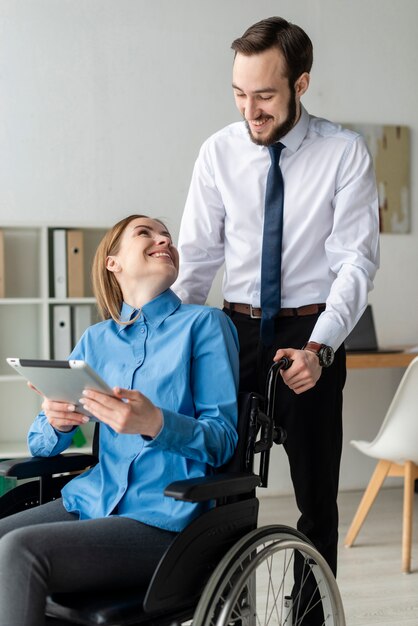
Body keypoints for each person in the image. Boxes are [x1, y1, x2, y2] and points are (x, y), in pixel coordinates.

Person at [173, 15, 380, 581]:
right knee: (221, 490)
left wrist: (320, 349)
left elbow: (355, 263)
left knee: (317, 502)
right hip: (231, 333)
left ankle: (311, 615)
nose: (250, 110)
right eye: (239, 93)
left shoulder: (344, 153)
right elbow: (196, 261)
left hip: (308, 332)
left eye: (264, 94)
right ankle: (229, 610)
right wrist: (164, 335)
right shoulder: (218, 152)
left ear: (301, 84)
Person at [0, 214, 239, 626]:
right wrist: (55, 421)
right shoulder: (96, 340)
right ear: (113, 263)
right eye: (145, 233)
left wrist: (156, 423)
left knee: (20, 550)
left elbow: (223, 440)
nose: (163, 238)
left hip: (165, 518)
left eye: (166, 234)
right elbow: (42, 445)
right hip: (92, 499)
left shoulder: (205, 326)